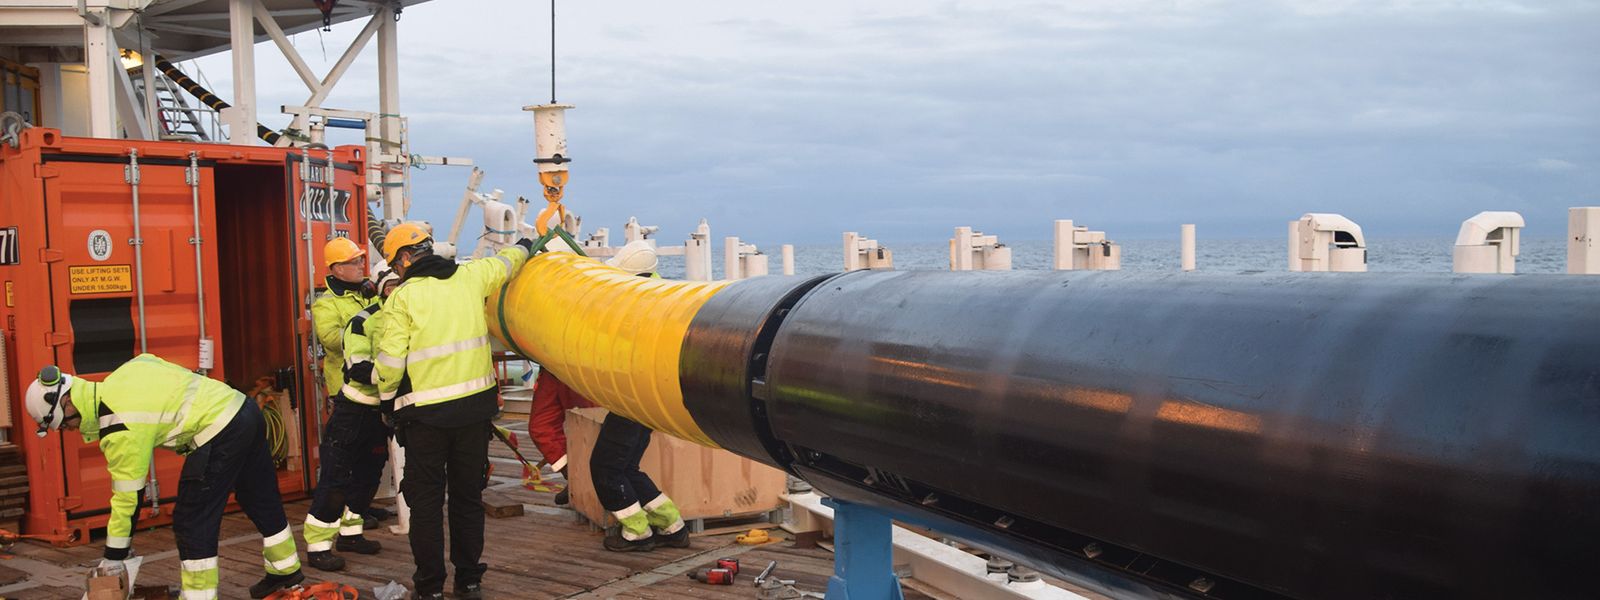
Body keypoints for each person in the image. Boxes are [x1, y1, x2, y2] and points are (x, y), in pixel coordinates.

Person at [24, 355, 304, 599]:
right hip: (243, 408)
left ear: (67, 404)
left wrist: (114, 557)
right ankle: (285, 570)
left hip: (218, 429)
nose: (69, 430)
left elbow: (128, 497)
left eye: (65, 425)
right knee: (258, 495)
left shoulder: (117, 426)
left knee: (192, 518)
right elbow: (156, 365)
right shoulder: (127, 371)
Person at [374, 223, 532, 600]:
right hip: (474, 416)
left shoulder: (402, 298)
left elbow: (391, 363)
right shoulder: (471, 277)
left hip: (425, 419)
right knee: (467, 498)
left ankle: (429, 588)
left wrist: (386, 402)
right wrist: (527, 243)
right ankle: (469, 580)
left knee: (426, 504)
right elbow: (507, 262)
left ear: (405, 260)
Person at [588, 241, 690, 551]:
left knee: (605, 466)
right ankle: (672, 526)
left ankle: (636, 532)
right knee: (627, 466)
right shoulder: (658, 296)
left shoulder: (633, 304)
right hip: (650, 398)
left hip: (630, 397)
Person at [301, 269, 402, 571]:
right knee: (336, 478)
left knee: (369, 475)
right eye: (392, 285)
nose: (397, 291)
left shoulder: (408, 318)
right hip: (353, 411)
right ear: (381, 289)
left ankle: (351, 533)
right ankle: (318, 547)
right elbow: (357, 368)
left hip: (380, 414)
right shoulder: (362, 322)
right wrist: (399, 379)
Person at [310, 237, 376, 406]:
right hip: (347, 388)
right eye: (355, 262)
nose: (362, 266)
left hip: (375, 381)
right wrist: (368, 334)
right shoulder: (326, 303)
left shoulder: (371, 291)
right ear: (339, 269)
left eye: (361, 260)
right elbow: (330, 339)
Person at [524, 368, 593, 505]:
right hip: (552, 366)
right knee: (540, 427)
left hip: (584, 365)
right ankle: (576, 479)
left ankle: (595, 486)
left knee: (593, 422)